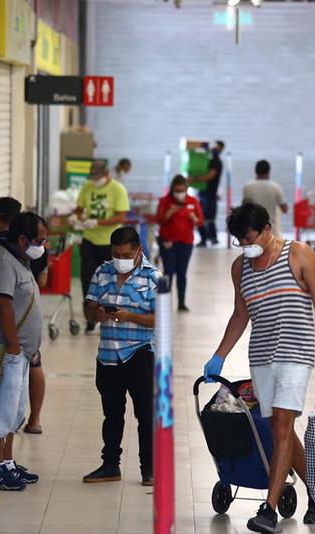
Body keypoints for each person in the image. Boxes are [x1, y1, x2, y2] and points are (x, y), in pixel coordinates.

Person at [204, 203, 315, 534]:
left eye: (249, 238)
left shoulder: (299, 255)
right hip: (261, 356)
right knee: (279, 430)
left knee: (282, 427)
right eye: (240, 241)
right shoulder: (241, 268)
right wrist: (219, 355)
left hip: (296, 353)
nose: (245, 246)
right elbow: (241, 314)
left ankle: (268, 511)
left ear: (267, 230)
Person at [82, 227, 160, 486]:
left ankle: (149, 469)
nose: (120, 259)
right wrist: (97, 315)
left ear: (138, 250)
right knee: (112, 414)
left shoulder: (153, 277)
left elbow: (161, 318)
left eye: (126, 254)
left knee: (146, 415)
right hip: (107, 355)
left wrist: (130, 316)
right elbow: (89, 309)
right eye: (116, 254)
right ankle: (110, 465)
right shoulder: (102, 272)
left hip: (140, 353)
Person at [0, 212, 46, 491]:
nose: (43, 246)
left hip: (20, 353)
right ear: (22, 239)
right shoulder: (2, 262)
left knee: (14, 410)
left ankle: (6, 462)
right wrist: (14, 346)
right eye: (39, 241)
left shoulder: (20, 259)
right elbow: (2, 306)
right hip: (5, 350)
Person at [71, 160, 130, 332]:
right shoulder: (87, 187)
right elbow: (79, 209)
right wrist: (75, 218)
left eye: (98, 177)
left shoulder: (118, 189)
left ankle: (110, 317)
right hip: (89, 240)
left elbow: (122, 217)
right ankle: (90, 319)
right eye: (93, 178)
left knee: (110, 282)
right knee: (87, 280)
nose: (95, 181)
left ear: (106, 174)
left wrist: (98, 222)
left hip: (110, 243)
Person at [157, 175, 203, 312]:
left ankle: (181, 302)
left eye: (182, 190)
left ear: (186, 190)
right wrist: (170, 212)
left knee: (182, 273)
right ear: (172, 190)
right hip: (168, 242)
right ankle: (165, 303)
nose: (179, 193)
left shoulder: (192, 201)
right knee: (168, 272)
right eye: (177, 191)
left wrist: (194, 218)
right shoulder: (165, 201)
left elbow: (200, 222)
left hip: (185, 242)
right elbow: (159, 220)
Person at [242, 160, 289, 237]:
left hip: (253, 232)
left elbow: (245, 209)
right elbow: (284, 209)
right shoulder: (276, 187)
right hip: (271, 231)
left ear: (255, 171)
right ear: (269, 172)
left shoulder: (247, 187)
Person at [191, 140, 224, 247]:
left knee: (209, 217)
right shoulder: (207, 159)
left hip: (210, 193)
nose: (214, 148)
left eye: (217, 147)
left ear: (221, 149)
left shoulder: (216, 161)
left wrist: (194, 178)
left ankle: (212, 238)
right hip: (203, 192)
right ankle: (205, 238)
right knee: (202, 216)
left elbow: (210, 176)